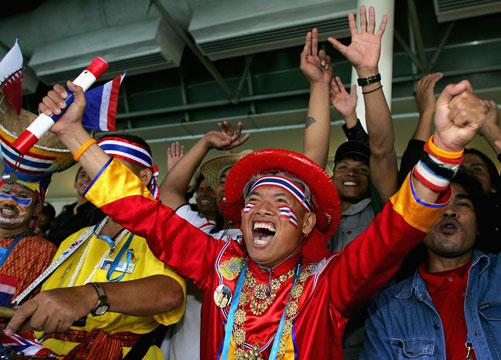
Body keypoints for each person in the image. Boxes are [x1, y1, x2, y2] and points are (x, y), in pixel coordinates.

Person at [6, 16, 488, 359]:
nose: (261, 207)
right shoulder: (218, 265)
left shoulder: (328, 284)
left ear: (304, 223)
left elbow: (396, 231)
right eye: (253, 199)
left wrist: (443, 148)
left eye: (282, 202)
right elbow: (145, 211)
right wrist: (72, 133)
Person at [7, 134, 186, 360]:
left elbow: (169, 294)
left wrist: (90, 295)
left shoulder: (161, 230)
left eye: (110, 167)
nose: (98, 175)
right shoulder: (77, 238)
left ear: (144, 176)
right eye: (95, 167)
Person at [360, 172, 500, 359]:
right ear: (419, 227)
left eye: (462, 204)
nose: (449, 211)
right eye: (437, 205)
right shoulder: (388, 308)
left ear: (478, 226)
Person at [47, 166, 105, 247]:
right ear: (75, 183)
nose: (86, 179)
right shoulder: (66, 211)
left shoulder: (99, 212)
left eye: (91, 176)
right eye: (82, 175)